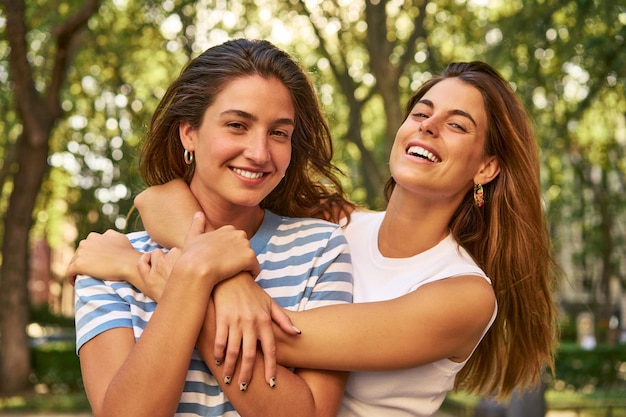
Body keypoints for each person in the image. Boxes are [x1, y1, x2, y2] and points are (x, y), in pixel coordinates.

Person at [69, 61, 558, 416]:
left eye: (456, 125)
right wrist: (213, 271)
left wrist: (156, 276)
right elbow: (161, 198)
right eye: (421, 112)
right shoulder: (337, 225)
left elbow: (277, 336)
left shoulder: (463, 295)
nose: (428, 126)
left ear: (488, 166)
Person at [70, 38, 356, 417]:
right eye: (237, 125)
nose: (259, 152)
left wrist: (189, 282)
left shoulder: (321, 249)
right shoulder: (109, 267)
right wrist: (210, 279)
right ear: (189, 132)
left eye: (279, 133)